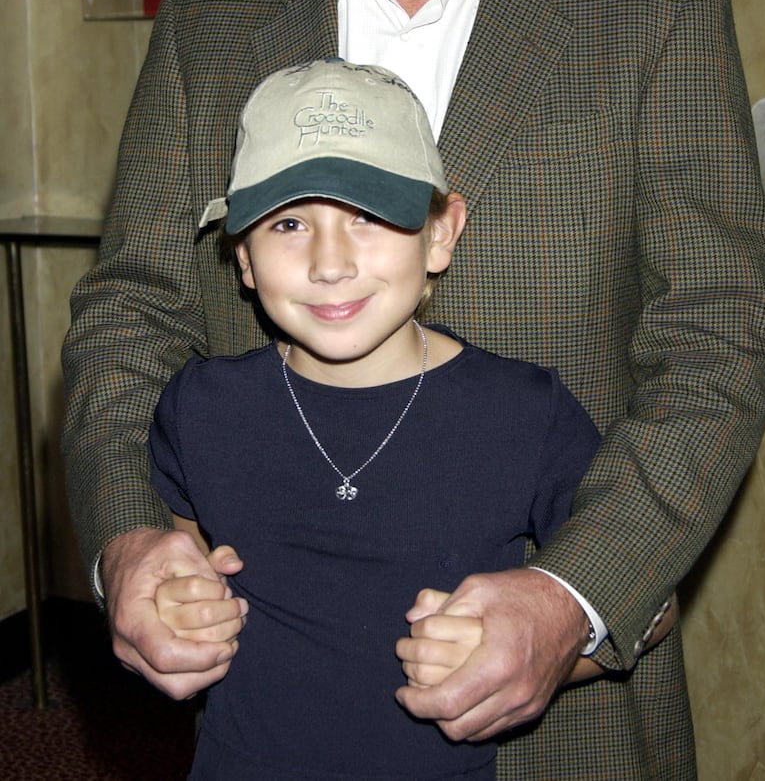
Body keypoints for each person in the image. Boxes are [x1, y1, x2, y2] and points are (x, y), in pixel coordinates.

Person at [61, 0, 765, 781]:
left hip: (562, 727)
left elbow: (715, 339)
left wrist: (569, 595)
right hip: (278, 713)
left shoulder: (656, 7)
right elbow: (127, 318)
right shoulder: (207, 29)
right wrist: (126, 540)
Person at [148, 56, 607, 780]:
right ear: (243, 257)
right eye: (289, 222)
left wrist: (533, 654)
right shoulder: (199, 407)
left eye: (368, 215)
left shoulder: (525, 411)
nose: (329, 263)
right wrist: (181, 608)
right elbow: (182, 561)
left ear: (440, 233)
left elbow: (645, 600)